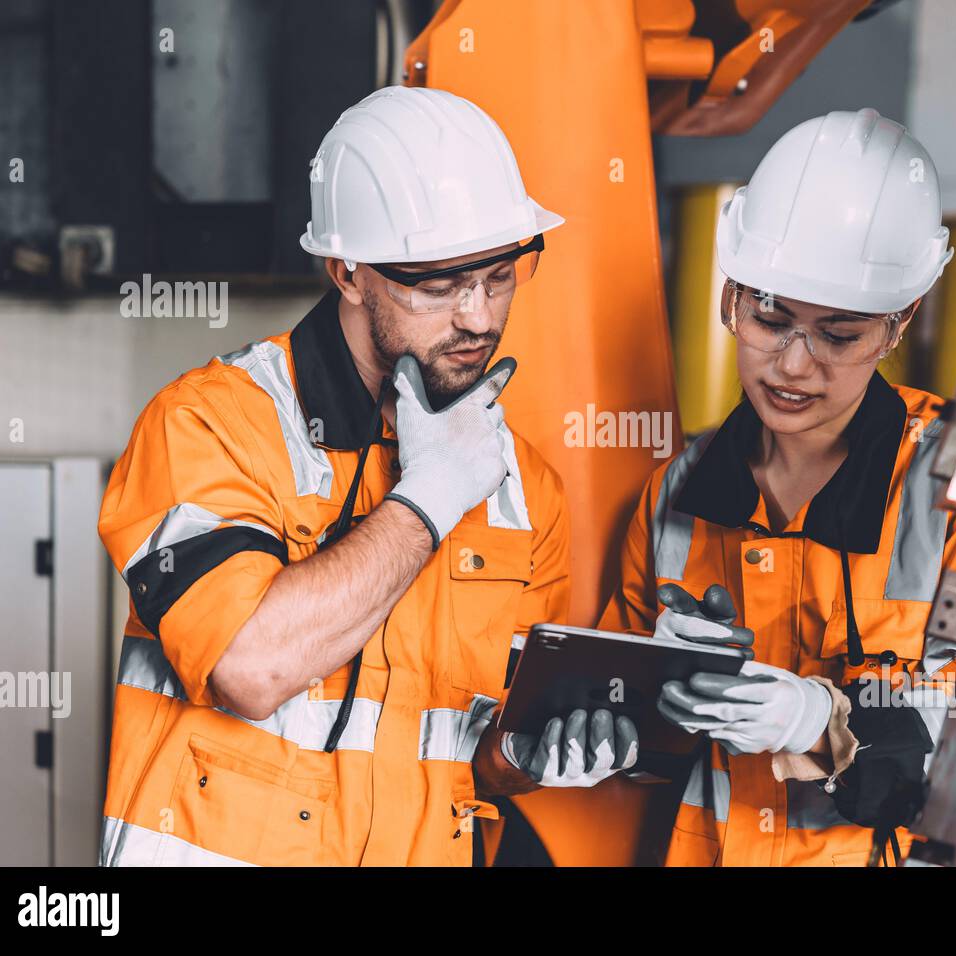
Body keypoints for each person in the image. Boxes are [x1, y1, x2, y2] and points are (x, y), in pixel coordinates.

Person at [97, 87, 635, 867]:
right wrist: (429, 500)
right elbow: (249, 666)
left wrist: (531, 757)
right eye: (439, 284)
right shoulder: (208, 425)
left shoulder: (524, 489)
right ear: (347, 271)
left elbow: (471, 748)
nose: (479, 318)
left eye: (499, 275)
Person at [600, 108, 956, 867]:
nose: (794, 365)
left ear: (899, 326)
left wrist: (818, 721)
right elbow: (626, 741)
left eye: (839, 334)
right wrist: (654, 689)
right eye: (769, 317)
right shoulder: (677, 494)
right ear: (730, 296)